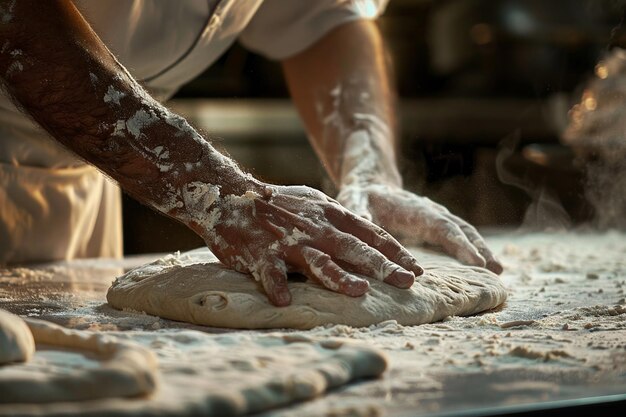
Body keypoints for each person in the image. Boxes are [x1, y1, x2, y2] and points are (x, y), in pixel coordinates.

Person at [0, 0, 502, 306]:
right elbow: (17, 22)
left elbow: (327, 18)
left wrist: (369, 168)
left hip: (81, 175)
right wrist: (216, 190)